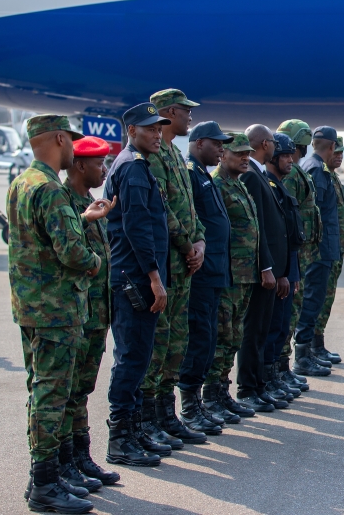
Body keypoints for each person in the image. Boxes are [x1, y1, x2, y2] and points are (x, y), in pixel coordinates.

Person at [8, 115, 112, 514]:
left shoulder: (23, 182)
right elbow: (72, 252)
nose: (73, 147)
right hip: (56, 308)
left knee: (43, 393)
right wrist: (95, 263)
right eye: (70, 139)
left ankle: (46, 476)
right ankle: (46, 484)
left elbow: (42, 238)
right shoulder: (50, 188)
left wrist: (83, 221)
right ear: (57, 139)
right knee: (52, 396)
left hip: (33, 305)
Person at [103, 103, 172, 468]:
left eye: (159, 129)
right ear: (131, 131)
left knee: (141, 355)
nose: (157, 134)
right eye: (150, 129)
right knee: (131, 357)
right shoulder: (131, 167)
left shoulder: (139, 165)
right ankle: (119, 438)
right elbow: (137, 228)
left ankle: (133, 429)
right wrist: (155, 278)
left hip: (139, 275)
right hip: (136, 277)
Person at [143, 89, 206, 448]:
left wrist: (199, 241)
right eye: (185, 111)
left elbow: (190, 209)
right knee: (159, 344)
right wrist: (187, 244)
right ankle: (149, 418)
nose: (190, 117)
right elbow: (162, 209)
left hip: (184, 263)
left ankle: (167, 415)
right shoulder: (154, 157)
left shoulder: (174, 154)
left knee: (176, 343)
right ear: (168, 112)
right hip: (168, 261)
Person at [63, 136, 120, 489]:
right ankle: (65, 462)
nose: (104, 170)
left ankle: (81, 457)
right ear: (80, 165)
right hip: (77, 312)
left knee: (82, 388)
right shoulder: (65, 203)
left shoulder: (88, 201)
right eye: (99, 164)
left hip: (97, 312)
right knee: (67, 390)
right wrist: (85, 219)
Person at [202, 133, 266, 417]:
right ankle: (210, 397)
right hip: (227, 275)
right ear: (223, 154)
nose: (245, 158)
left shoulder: (238, 184)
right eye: (239, 153)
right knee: (221, 336)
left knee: (234, 336)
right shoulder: (216, 184)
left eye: (247, 153)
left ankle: (222, 392)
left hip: (244, 274)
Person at [178, 121, 233, 435]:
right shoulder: (190, 174)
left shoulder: (203, 175)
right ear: (199, 143)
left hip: (214, 271)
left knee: (209, 337)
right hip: (200, 273)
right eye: (217, 143)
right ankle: (189, 406)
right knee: (198, 338)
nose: (221, 149)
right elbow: (188, 221)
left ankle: (197, 403)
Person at [238, 125, 292, 410]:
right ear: (264, 144)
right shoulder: (250, 175)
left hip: (271, 268)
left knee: (262, 330)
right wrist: (265, 267)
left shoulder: (258, 174)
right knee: (253, 330)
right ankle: (248, 388)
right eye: (272, 141)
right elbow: (255, 227)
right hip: (262, 269)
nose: (275, 147)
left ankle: (259, 385)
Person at [294, 126, 341, 377]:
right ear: (332, 146)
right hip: (319, 249)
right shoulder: (316, 170)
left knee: (316, 299)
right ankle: (302, 356)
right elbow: (315, 214)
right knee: (312, 299)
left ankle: (309, 351)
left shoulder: (316, 167)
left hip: (324, 247)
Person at [262, 132, 305, 405]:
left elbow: (290, 235)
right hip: (277, 271)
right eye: (286, 155)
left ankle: (275, 375)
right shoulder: (267, 185)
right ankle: (266, 380)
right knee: (272, 328)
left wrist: (293, 272)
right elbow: (270, 235)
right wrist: (280, 273)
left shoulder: (280, 185)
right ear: (273, 157)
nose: (291, 159)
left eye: (292, 154)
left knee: (281, 326)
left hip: (287, 268)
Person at [275, 119, 315, 394]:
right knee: (286, 316)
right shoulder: (289, 175)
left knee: (293, 312)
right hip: (294, 254)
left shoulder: (296, 170)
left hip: (301, 253)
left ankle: (283, 367)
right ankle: (280, 368)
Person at [314, 136, 344, 364]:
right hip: (325, 249)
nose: (339, 156)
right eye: (336, 152)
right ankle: (312, 346)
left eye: (341, 153)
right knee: (318, 299)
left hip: (337, 247)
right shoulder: (320, 175)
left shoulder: (333, 177)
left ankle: (318, 344)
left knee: (327, 299)